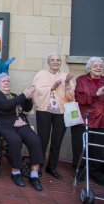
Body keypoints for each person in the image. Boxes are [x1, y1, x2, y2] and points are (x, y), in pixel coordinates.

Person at [0, 73, 43, 191]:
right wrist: (23, 95)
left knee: (35, 140)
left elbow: (27, 108)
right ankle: (16, 172)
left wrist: (28, 99)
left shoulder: (14, 95)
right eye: (4, 81)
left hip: (20, 123)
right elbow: (6, 106)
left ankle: (34, 175)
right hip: (5, 125)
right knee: (15, 141)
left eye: (8, 81)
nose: (7, 82)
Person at [33, 53, 74, 179]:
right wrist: (52, 87)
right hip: (44, 111)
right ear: (48, 62)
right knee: (42, 140)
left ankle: (52, 167)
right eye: (52, 60)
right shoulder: (41, 74)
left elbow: (70, 96)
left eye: (58, 60)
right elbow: (36, 90)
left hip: (61, 112)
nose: (55, 62)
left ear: (61, 62)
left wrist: (67, 84)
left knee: (57, 141)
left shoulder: (65, 76)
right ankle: (37, 166)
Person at [72, 57, 104, 185]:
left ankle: (96, 172)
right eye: (95, 66)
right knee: (82, 147)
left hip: (102, 120)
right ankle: (81, 170)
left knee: (98, 149)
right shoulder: (81, 80)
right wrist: (97, 94)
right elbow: (80, 98)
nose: (98, 68)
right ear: (89, 67)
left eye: (100, 66)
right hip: (85, 119)